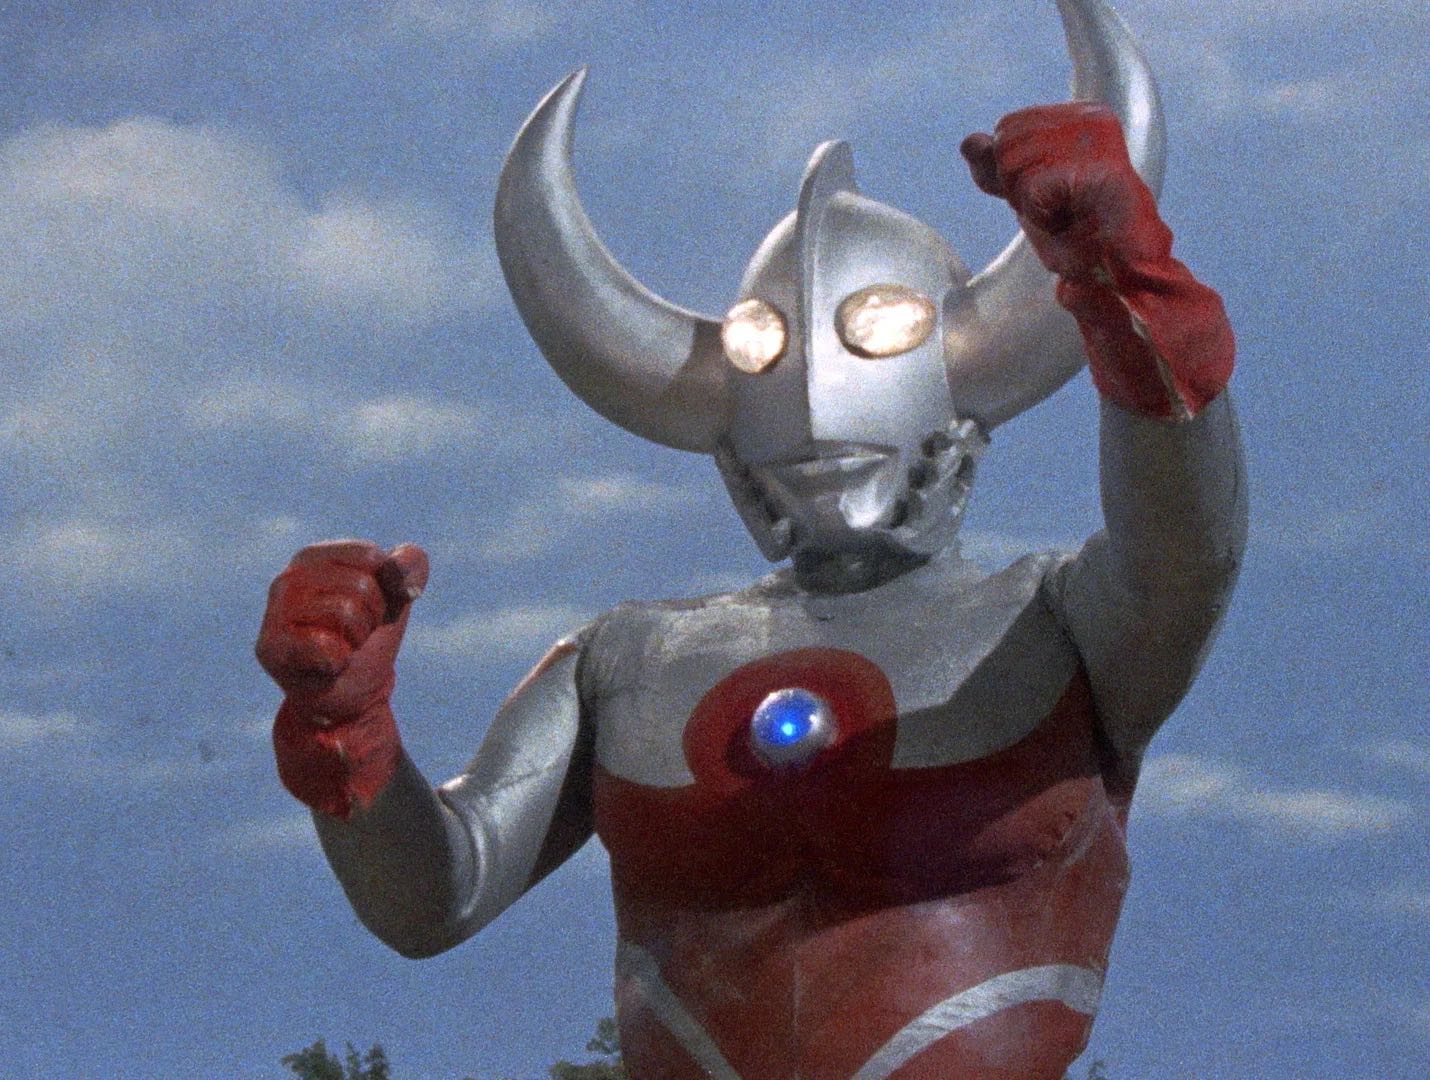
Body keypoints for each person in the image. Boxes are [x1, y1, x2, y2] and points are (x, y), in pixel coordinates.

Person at [256, 2, 1245, 1076]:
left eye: (877, 330)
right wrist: (345, 731)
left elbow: (1188, 550)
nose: (817, 394)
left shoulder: (1058, 623)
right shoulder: (624, 660)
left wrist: (1129, 294)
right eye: (763, 347)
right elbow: (433, 896)